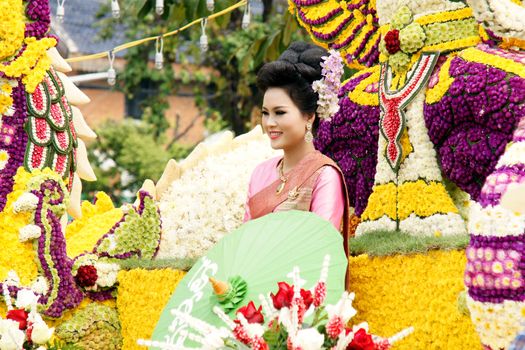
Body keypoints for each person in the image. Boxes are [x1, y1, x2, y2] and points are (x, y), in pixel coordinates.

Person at [243, 42, 350, 250]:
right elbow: (244, 243)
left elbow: (321, 248)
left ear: (309, 117)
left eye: (280, 112)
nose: (269, 122)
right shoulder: (260, 173)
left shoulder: (324, 176)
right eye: (265, 113)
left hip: (300, 280)